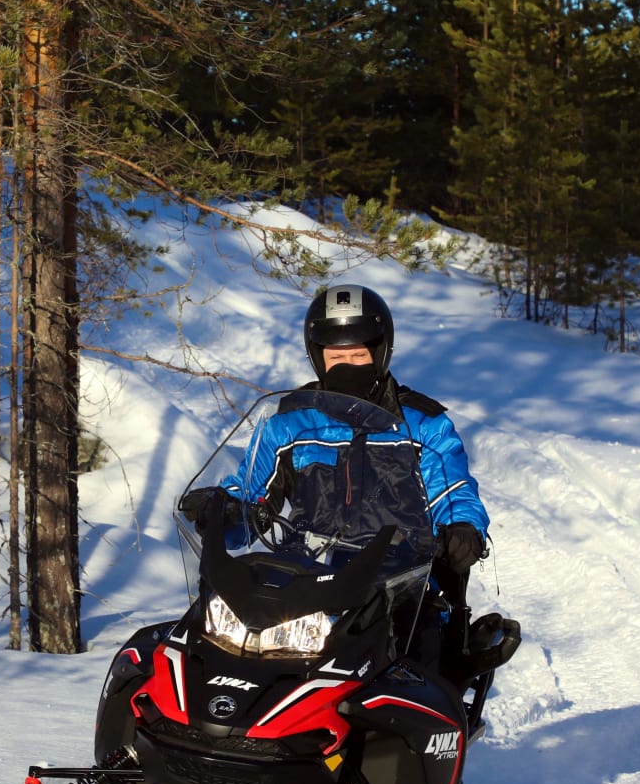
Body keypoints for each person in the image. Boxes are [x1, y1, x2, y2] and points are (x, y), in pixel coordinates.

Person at [183, 283, 493, 670]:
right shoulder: (291, 423)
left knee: (417, 676)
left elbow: (453, 491)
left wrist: (463, 527)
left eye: (358, 355)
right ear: (318, 357)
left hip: (397, 588)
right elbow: (251, 494)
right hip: (306, 585)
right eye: (337, 356)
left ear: (380, 353)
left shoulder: (423, 425)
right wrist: (223, 507)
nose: (347, 365)